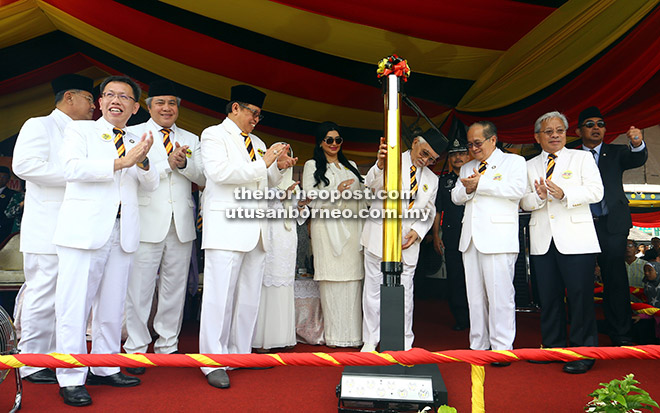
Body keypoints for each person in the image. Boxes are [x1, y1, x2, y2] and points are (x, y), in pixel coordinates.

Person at [53, 75, 158, 406]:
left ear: (135, 107)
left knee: (112, 306)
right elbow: (71, 168)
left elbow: (151, 183)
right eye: (110, 94)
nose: (117, 100)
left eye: (125, 97)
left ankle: (105, 365)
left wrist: (140, 158)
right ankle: (70, 376)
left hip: (122, 230)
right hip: (85, 231)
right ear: (99, 102)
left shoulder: (137, 137)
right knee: (75, 307)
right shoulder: (80, 130)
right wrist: (120, 162)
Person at [199, 85, 296, 389]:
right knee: (219, 298)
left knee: (248, 299)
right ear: (236, 107)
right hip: (226, 228)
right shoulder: (213, 135)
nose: (257, 119)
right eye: (253, 112)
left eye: (259, 114)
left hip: (256, 229)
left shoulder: (256, 142)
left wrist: (279, 169)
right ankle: (211, 361)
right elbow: (220, 174)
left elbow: (265, 182)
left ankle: (240, 354)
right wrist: (265, 162)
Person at [11, 74, 95, 385]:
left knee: (68, 297)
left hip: (77, 229)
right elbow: (25, 166)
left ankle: (59, 357)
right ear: (69, 98)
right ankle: (32, 361)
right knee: (42, 293)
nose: (93, 107)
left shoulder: (86, 132)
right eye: (89, 99)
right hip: (46, 226)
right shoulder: (40, 124)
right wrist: (77, 174)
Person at [123, 79, 205, 372]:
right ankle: (135, 348)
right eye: (160, 102)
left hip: (181, 222)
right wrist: (167, 164)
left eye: (172, 103)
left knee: (175, 288)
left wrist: (184, 164)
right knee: (140, 288)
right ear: (147, 106)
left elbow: (204, 177)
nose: (167, 108)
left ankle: (168, 345)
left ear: (178, 108)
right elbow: (130, 174)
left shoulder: (192, 138)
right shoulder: (132, 133)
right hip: (146, 220)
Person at [521, 111, 603, 374]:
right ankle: (552, 347)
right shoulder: (528, 165)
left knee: (580, 298)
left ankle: (583, 352)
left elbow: (596, 191)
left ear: (566, 134)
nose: (555, 135)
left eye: (559, 130)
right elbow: (523, 202)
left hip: (577, 240)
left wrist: (564, 192)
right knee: (548, 297)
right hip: (542, 240)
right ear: (537, 137)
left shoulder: (582, 158)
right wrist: (540, 197)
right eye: (548, 131)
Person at [451, 121, 526, 365]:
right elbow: (455, 196)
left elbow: (517, 189)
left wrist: (480, 184)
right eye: (470, 144)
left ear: (493, 139)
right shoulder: (467, 167)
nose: (473, 148)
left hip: (498, 238)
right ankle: (478, 345)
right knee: (475, 296)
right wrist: (470, 189)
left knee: (500, 296)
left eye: (478, 143)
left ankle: (502, 348)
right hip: (470, 238)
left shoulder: (513, 162)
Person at [361, 131, 440, 351]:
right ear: (415, 142)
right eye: (424, 153)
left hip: (408, 243)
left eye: (432, 159)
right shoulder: (392, 158)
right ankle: (370, 340)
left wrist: (418, 230)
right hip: (379, 235)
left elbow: (429, 211)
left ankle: (405, 342)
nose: (425, 161)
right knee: (373, 291)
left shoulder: (432, 179)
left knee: (406, 294)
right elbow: (371, 186)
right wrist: (379, 164)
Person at [578, 106, 647, 346]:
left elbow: (638, 157)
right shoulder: (571, 155)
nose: (596, 128)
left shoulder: (616, 152)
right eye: (589, 124)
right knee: (580, 279)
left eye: (600, 124)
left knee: (615, 278)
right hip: (580, 224)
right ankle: (583, 335)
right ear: (578, 130)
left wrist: (637, 142)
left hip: (613, 224)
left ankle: (622, 334)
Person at [302, 121, 366, 348]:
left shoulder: (352, 166)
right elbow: (310, 198)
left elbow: (364, 197)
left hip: (352, 230)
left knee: (353, 282)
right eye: (329, 140)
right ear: (320, 142)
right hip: (327, 232)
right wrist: (335, 191)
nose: (334, 144)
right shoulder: (312, 166)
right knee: (332, 283)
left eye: (338, 140)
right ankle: (336, 337)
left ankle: (355, 336)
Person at [252, 153, 309, 352]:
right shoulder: (264, 180)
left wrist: (302, 204)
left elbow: (300, 216)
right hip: (270, 236)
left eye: (290, 158)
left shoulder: (294, 183)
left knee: (284, 284)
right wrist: (281, 195)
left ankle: (282, 339)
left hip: (287, 239)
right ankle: (262, 341)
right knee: (267, 283)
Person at [432, 138, 470, 331]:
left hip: (474, 234)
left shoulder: (476, 176)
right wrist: (436, 236)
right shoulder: (443, 181)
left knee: (475, 276)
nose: (458, 157)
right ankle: (461, 317)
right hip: (452, 233)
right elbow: (437, 210)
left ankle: (478, 316)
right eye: (454, 154)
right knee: (456, 276)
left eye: (462, 153)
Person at [0, 166, 18, 243]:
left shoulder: (13, 194)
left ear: (8, 179)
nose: (0, 179)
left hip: (3, 232)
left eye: (4, 177)